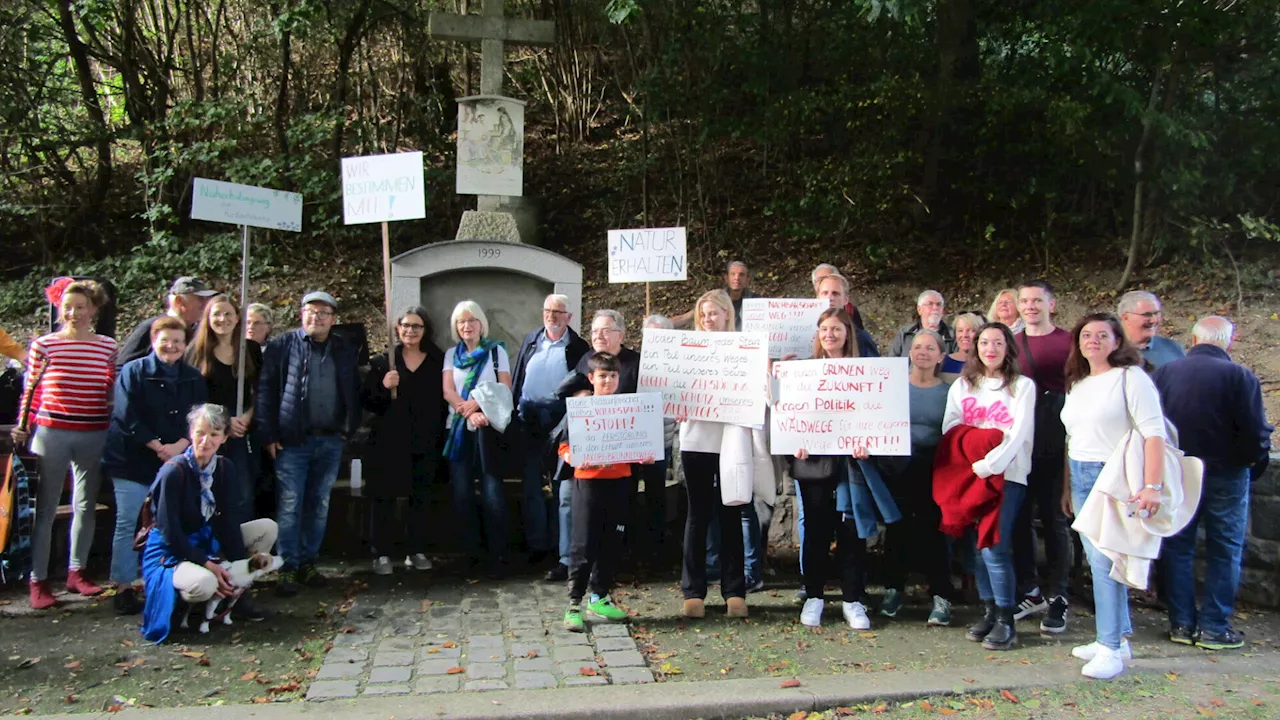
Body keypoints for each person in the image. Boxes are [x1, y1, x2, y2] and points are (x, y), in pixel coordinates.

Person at [1154, 316, 1273, 650]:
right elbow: (1254, 430)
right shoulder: (1239, 375)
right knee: (1225, 548)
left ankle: (1180, 623)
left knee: (1178, 546)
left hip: (1179, 469)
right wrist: (1255, 461)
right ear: (1228, 342)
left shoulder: (1165, 374)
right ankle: (1214, 627)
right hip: (1227, 471)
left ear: (1193, 339)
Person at [1059, 312, 1168, 679]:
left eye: (1102, 335)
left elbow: (1154, 434)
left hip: (1115, 476)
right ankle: (1117, 637)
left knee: (1107, 562)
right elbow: (1072, 439)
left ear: (1118, 341)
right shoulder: (1078, 382)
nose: (1092, 341)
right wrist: (1067, 487)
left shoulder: (1131, 378)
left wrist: (1151, 486)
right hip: (1080, 473)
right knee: (1097, 559)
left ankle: (1108, 648)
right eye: (1086, 335)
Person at [11, 279, 117, 610]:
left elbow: (110, 390)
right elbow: (31, 391)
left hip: (93, 432)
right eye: (67, 307)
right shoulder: (44, 345)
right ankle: (38, 580)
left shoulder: (107, 347)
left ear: (94, 310)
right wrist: (23, 425)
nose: (73, 313)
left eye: (80, 306)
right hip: (52, 432)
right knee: (45, 508)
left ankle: (77, 572)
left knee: (86, 505)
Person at [138, 404, 279, 643]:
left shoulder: (224, 468)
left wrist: (234, 571)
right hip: (170, 551)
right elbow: (170, 532)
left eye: (214, 434)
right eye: (200, 433)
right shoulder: (173, 472)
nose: (206, 440)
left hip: (206, 541)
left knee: (267, 528)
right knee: (205, 583)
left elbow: (229, 522)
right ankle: (186, 608)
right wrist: (210, 565)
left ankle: (234, 597)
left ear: (224, 438)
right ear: (191, 433)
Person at [257, 291, 360, 596]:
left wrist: (348, 428)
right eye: (311, 312)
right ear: (302, 314)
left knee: (319, 504)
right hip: (292, 441)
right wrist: (270, 435)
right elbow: (266, 391)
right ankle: (288, 565)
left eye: (324, 313)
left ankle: (308, 562)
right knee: (290, 504)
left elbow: (352, 389)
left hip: (330, 439)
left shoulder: (344, 348)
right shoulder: (282, 346)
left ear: (334, 319)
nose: (317, 317)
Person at [103, 315, 208, 615]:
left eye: (177, 341)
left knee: (171, 522)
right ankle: (123, 586)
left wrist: (180, 445)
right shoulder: (134, 372)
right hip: (132, 458)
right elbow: (125, 415)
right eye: (166, 340)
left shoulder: (193, 377)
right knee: (128, 522)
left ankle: (165, 583)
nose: (172, 346)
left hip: (176, 459)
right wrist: (157, 445)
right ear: (153, 341)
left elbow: (199, 416)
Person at [941, 322, 1035, 651]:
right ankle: (989, 610)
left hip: (1007, 476)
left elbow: (1018, 433)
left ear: (1008, 347)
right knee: (976, 549)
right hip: (970, 477)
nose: (990, 349)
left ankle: (1007, 619)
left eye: (997, 342)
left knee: (994, 546)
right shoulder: (964, 385)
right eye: (983, 342)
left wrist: (990, 464)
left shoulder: (1022, 387)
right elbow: (951, 427)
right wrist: (971, 460)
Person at [791, 308, 875, 630]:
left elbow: (876, 414)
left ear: (848, 333)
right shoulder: (803, 372)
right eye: (824, 329)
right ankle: (814, 597)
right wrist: (794, 440)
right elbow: (790, 414)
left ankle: (852, 600)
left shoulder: (866, 373)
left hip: (852, 465)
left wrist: (871, 443)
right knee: (815, 533)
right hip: (814, 465)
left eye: (836, 329)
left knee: (852, 533)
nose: (830, 334)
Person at [546, 309, 642, 582]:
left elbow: (645, 406)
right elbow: (566, 391)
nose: (598, 336)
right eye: (595, 331)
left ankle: (606, 572)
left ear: (621, 335)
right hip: (583, 455)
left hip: (620, 459)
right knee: (567, 500)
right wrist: (581, 395)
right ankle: (569, 563)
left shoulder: (635, 363)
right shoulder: (586, 359)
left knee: (613, 516)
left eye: (606, 330)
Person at [559, 352, 651, 631]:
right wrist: (574, 458)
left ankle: (599, 596)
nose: (608, 380)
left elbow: (641, 441)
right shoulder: (581, 408)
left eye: (613, 375)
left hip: (620, 480)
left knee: (613, 541)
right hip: (588, 481)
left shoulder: (629, 409)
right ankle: (574, 603)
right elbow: (563, 447)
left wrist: (645, 455)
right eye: (602, 376)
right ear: (591, 378)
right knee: (584, 543)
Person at [679, 290, 751, 619]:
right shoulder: (685, 350)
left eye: (714, 313)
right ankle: (693, 591)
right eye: (703, 314)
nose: (708, 319)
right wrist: (673, 406)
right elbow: (670, 389)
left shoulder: (744, 348)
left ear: (726, 315)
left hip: (730, 440)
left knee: (731, 514)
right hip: (695, 440)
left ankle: (734, 591)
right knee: (697, 515)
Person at [1006, 280, 1074, 633]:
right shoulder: (1012, 344)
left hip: (1055, 437)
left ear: (1052, 304)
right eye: (1024, 301)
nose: (1030, 306)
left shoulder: (1069, 342)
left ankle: (1059, 595)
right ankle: (1030, 590)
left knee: (1054, 519)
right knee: (1018, 518)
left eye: (1037, 300)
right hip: (1020, 440)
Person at [362, 306, 446, 576]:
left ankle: (416, 550)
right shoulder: (383, 362)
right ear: (397, 329)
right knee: (383, 497)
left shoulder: (437, 360)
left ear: (425, 330)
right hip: (388, 441)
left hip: (424, 440)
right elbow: (368, 403)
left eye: (416, 326)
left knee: (419, 497)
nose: (410, 331)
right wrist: (383, 387)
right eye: (406, 326)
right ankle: (382, 553)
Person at [880, 329, 955, 626]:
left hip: (935, 469)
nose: (922, 352)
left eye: (929, 348)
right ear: (909, 353)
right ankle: (892, 589)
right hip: (897, 467)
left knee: (934, 532)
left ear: (941, 356)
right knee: (896, 530)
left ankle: (941, 596)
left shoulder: (949, 392)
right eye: (917, 347)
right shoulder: (892, 388)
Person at [511, 294, 589, 564]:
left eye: (558, 312)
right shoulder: (531, 339)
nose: (552, 316)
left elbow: (582, 386)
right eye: (547, 310)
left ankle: (561, 549)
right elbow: (519, 374)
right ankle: (537, 545)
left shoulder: (579, 347)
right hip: (529, 420)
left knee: (560, 487)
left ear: (569, 317)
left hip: (561, 424)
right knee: (532, 484)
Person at [442, 300, 512, 567]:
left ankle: (498, 551)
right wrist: (469, 411)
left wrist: (481, 406)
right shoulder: (451, 355)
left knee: (493, 489)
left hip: (487, 431)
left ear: (481, 324)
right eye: (461, 322)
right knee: (461, 491)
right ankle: (470, 551)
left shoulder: (496, 352)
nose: (467, 326)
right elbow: (448, 391)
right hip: (458, 428)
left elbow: (505, 387)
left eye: (472, 320)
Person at [185, 295, 261, 523]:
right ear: (207, 319)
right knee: (207, 491)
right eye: (216, 314)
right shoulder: (196, 352)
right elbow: (192, 399)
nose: (223, 319)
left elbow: (260, 389)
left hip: (240, 433)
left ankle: (240, 549)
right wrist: (225, 421)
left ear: (238, 318)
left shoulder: (251, 350)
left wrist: (247, 416)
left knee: (242, 494)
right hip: (209, 434)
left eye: (228, 313)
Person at [117, 277, 218, 367]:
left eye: (207, 299)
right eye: (200, 299)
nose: (206, 304)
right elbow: (121, 368)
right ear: (179, 301)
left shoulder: (199, 331)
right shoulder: (151, 327)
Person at [672, 261, 759, 330]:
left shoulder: (757, 302)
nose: (737, 278)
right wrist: (663, 324)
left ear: (747, 280)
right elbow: (686, 317)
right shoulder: (715, 299)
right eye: (733, 274)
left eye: (741, 275)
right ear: (726, 278)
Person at [1117, 291, 1185, 368]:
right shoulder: (1110, 351)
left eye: (1156, 313)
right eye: (1147, 315)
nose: (1154, 320)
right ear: (1125, 317)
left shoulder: (1172, 348)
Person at [815, 274, 876, 349]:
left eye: (835, 293)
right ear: (817, 298)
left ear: (846, 300)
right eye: (825, 293)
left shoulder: (861, 338)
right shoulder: (802, 334)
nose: (829, 298)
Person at [890, 290, 958, 357]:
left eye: (939, 304)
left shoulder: (953, 336)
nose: (935, 308)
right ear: (919, 310)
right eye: (930, 304)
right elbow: (892, 362)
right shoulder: (905, 334)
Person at [811, 264, 866, 330]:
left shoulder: (850, 310)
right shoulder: (806, 310)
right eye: (819, 280)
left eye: (828, 277)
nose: (825, 282)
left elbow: (859, 335)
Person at [940, 312, 983, 379]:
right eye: (960, 330)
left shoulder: (985, 363)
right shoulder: (943, 362)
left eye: (971, 330)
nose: (964, 335)